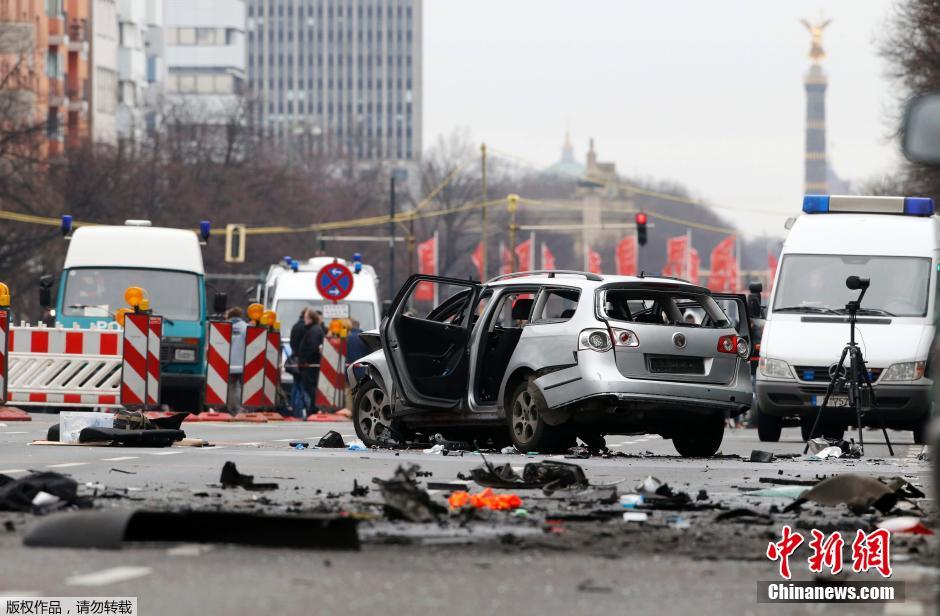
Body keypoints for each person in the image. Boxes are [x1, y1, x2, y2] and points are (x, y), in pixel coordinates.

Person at [298, 310, 324, 414]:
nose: (304, 319)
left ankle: (313, 409)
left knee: (311, 387)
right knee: (310, 387)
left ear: (311, 319)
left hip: (310, 365)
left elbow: (312, 347)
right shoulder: (315, 329)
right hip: (310, 364)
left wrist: (305, 360)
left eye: (306, 317)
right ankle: (312, 408)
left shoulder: (314, 331)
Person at [288, 308, 311, 418]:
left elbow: (292, 343)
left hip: (294, 360)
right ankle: (302, 411)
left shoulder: (295, 326)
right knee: (303, 387)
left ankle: (295, 411)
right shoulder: (306, 328)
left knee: (296, 386)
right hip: (303, 361)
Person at [225, 307, 247, 413]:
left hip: (228, 363)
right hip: (243, 363)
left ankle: (231, 407)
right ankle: (241, 407)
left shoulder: (224, 327)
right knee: (242, 386)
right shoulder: (245, 327)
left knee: (231, 387)